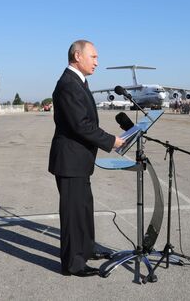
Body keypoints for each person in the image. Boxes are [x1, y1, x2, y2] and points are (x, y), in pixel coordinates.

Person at [48, 40, 124, 277]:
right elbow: (81, 125)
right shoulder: (68, 84)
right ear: (77, 56)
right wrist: (111, 141)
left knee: (84, 208)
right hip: (70, 161)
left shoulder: (78, 81)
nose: (97, 62)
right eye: (94, 57)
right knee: (72, 214)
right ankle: (73, 263)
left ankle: (87, 248)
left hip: (79, 161)